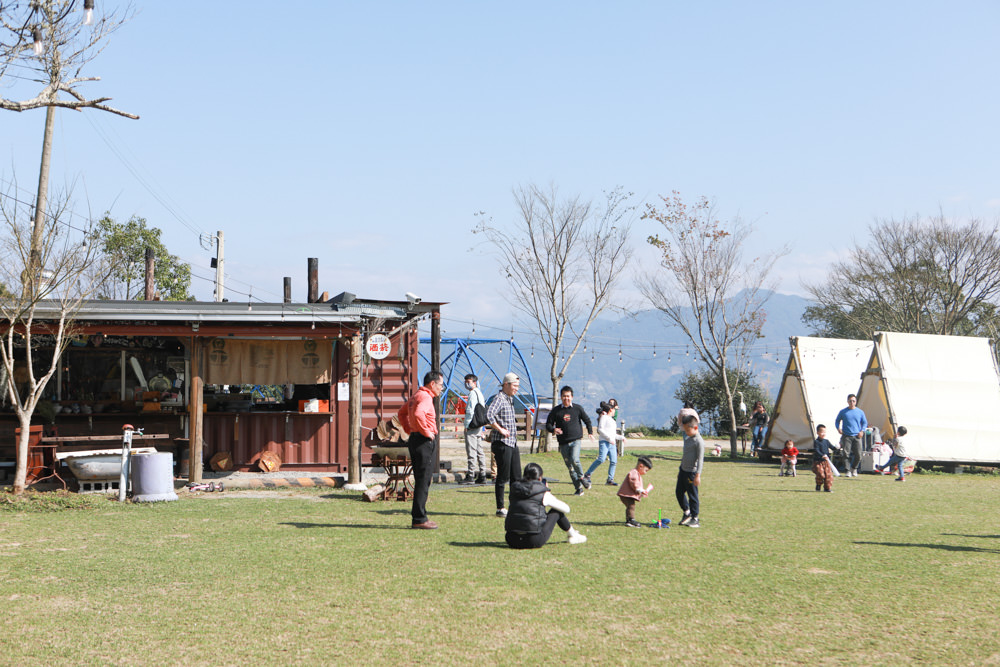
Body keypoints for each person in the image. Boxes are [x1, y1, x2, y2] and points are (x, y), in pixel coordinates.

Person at [397, 371, 445, 529]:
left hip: (415, 439)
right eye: (440, 385)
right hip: (424, 441)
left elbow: (402, 413)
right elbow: (418, 414)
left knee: (421, 479)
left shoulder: (416, 395)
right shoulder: (426, 397)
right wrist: (426, 432)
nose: (441, 388)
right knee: (424, 480)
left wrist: (409, 428)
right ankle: (419, 518)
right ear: (432, 384)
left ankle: (420, 516)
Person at [505, 462, 587, 548]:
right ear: (540, 478)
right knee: (556, 511)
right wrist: (548, 493)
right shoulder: (542, 492)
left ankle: (574, 535)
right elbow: (566, 509)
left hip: (511, 539)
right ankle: (573, 535)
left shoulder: (514, 489)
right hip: (533, 540)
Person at [545, 386, 595, 496]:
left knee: (574, 459)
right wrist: (554, 429)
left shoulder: (578, 408)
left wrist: (590, 432)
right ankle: (578, 488)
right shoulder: (556, 410)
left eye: (568, 396)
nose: (566, 398)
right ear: (561, 397)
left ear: (572, 397)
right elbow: (548, 424)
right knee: (570, 467)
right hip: (563, 443)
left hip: (576, 440)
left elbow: (587, 420)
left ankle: (582, 478)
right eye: (564, 396)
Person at [486, 372, 522, 517]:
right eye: (515, 386)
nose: (516, 389)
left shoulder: (510, 399)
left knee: (517, 476)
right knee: (503, 476)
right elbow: (489, 415)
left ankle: (515, 505)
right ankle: (500, 507)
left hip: (512, 442)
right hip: (502, 442)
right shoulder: (499, 398)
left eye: (518, 386)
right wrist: (500, 429)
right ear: (506, 385)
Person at [677, 414, 705, 528]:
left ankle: (695, 518)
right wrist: (680, 469)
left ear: (695, 428)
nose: (686, 432)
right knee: (679, 492)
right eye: (685, 430)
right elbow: (685, 455)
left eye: (688, 430)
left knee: (692, 496)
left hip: (692, 473)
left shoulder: (699, 442)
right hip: (683, 471)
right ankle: (686, 512)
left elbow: (700, 459)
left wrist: (698, 475)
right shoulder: (688, 439)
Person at [584, 402, 618, 486]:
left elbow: (613, 434)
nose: (615, 411)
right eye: (614, 410)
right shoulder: (604, 418)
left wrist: (621, 437)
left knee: (614, 461)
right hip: (604, 442)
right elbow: (600, 430)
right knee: (601, 459)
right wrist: (609, 438)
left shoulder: (613, 420)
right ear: (611, 410)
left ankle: (610, 479)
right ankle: (587, 474)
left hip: (612, 443)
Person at [461, 373, 487, 484]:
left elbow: (470, 410)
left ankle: (471, 475)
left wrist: (466, 425)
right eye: (466, 381)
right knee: (480, 451)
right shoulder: (480, 393)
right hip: (479, 425)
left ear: (474, 382)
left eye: (469, 381)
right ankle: (483, 474)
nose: (467, 383)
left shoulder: (472, 394)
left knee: (471, 451)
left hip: (472, 425)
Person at [835, 393, 868, 477]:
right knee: (846, 454)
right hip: (846, 435)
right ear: (847, 401)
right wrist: (838, 428)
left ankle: (854, 468)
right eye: (850, 401)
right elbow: (837, 420)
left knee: (858, 455)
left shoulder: (860, 412)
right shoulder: (843, 411)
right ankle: (847, 470)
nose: (852, 402)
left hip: (857, 436)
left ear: (856, 401)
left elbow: (864, 422)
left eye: (853, 401)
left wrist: (862, 431)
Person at [617, 455, 654, 527]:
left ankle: (629, 519)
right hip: (625, 494)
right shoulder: (634, 473)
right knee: (631, 506)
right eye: (646, 470)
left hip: (627, 494)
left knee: (630, 506)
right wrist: (639, 489)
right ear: (640, 466)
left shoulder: (637, 473)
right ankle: (631, 520)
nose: (646, 473)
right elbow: (633, 482)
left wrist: (642, 492)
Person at [812, 424, 834, 492]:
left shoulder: (826, 441)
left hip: (826, 462)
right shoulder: (816, 442)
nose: (823, 434)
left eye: (825, 432)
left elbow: (832, 447)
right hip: (818, 462)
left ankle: (827, 488)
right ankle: (818, 485)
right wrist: (822, 455)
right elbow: (817, 450)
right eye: (822, 432)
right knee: (821, 474)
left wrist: (838, 447)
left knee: (828, 475)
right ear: (818, 432)